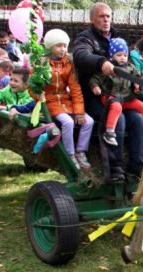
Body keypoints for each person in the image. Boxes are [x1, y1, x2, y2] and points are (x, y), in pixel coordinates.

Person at [73, 2, 143, 180]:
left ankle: (136, 167)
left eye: (108, 16)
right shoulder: (85, 38)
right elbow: (81, 55)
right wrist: (101, 62)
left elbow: (128, 64)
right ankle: (115, 168)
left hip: (120, 94)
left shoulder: (118, 37)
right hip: (94, 95)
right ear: (92, 19)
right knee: (117, 118)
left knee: (137, 119)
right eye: (101, 16)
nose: (106, 19)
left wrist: (138, 83)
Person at [41, 29, 94, 170]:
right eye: (59, 46)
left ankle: (81, 152)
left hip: (66, 101)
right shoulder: (42, 64)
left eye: (65, 45)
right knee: (68, 122)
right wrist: (38, 96)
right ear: (50, 47)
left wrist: (79, 112)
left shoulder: (68, 64)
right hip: (51, 102)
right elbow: (33, 87)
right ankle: (69, 154)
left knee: (89, 122)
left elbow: (75, 88)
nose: (63, 49)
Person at [90, 37, 143, 147]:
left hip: (126, 97)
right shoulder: (109, 68)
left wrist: (138, 83)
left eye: (125, 55)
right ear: (112, 55)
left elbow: (141, 76)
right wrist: (95, 86)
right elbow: (95, 79)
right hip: (110, 96)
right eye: (119, 55)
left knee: (141, 106)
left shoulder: (131, 67)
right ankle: (109, 132)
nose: (122, 58)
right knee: (117, 108)